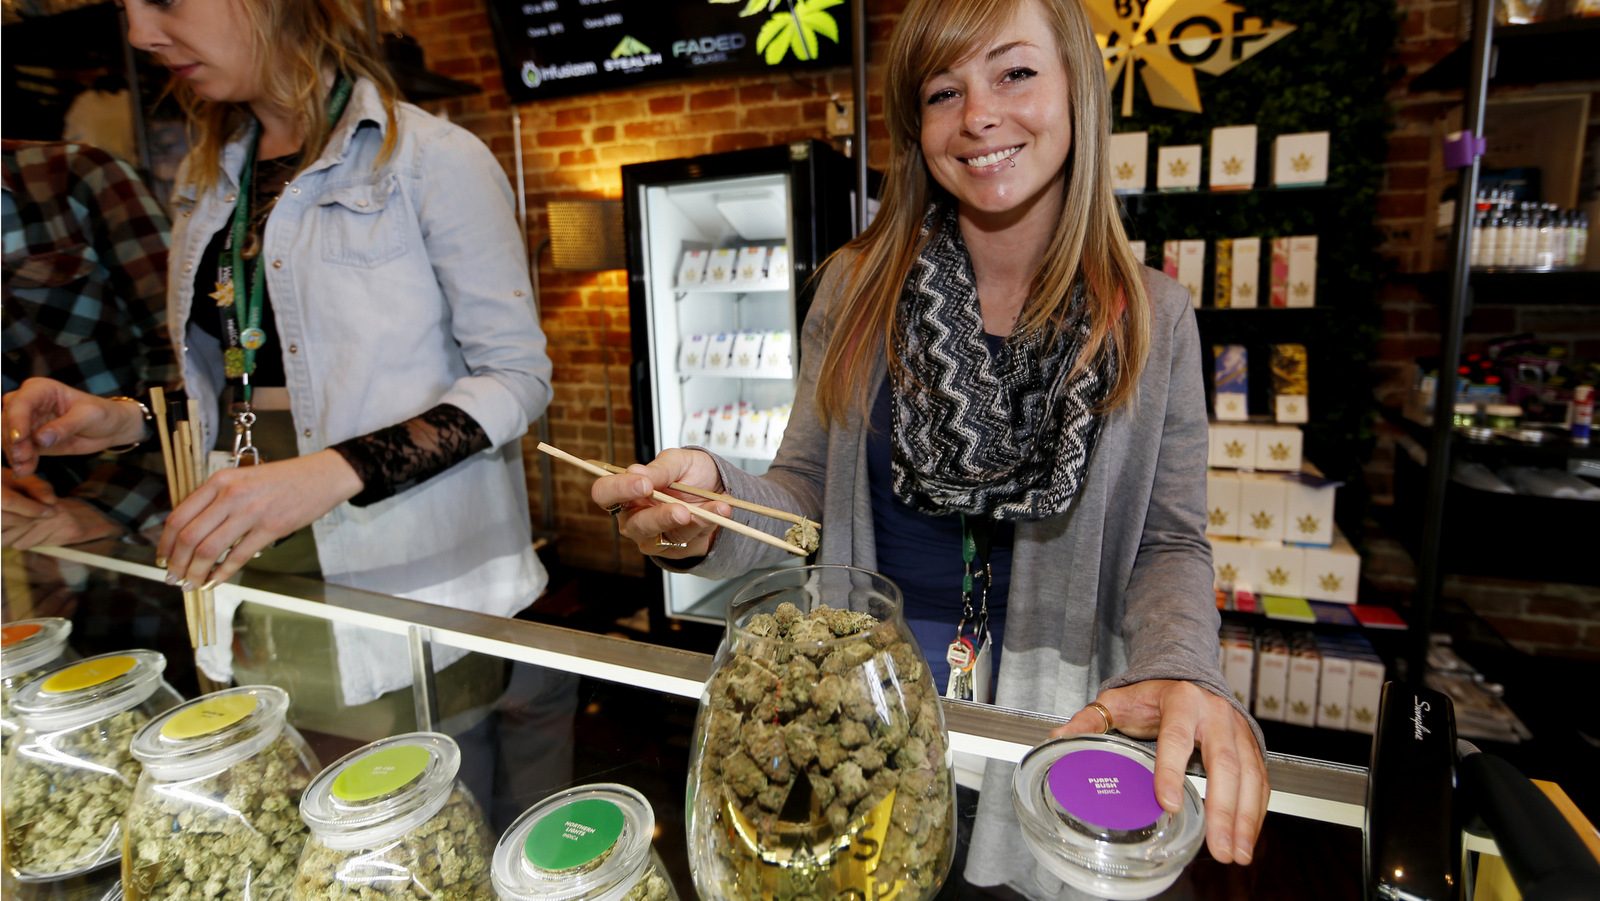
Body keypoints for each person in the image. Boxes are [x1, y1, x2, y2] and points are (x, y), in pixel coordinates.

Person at [591, 0, 1269, 893]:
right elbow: (804, 490)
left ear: (1077, 87)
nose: (980, 115)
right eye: (944, 89)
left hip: (1059, 727)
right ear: (917, 124)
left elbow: (1169, 542)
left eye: (1014, 73)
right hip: (865, 722)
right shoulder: (855, 287)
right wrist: (715, 499)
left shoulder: (1148, 316)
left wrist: (1184, 666)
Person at [3, 0, 552, 711]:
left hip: (407, 573)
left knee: (414, 798)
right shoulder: (203, 182)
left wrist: (331, 473)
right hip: (250, 554)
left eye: (164, 1)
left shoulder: (431, 159)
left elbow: (517, 379)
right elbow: (239, 382)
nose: (140, 34)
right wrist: (124, 418)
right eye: (129, 9)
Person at [3, 139, 177, 550]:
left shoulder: (74, 176)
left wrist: (107, 506)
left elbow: (186, 351)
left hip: (155, 520)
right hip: (20, 539)